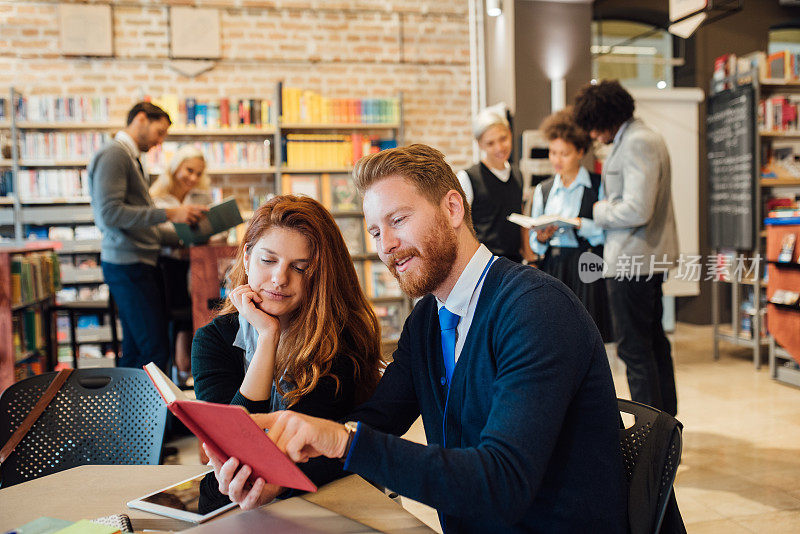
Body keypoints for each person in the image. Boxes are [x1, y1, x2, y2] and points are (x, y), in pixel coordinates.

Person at [205, 144, 627, 532]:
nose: (386, 246)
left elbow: (503, 481)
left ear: (453, 208)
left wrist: (342, 440)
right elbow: (376, 421)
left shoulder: (535, 308)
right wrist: (280, 479)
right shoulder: (428, 320)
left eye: (398, 220)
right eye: (374, 232)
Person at [192, 195, 384, 511]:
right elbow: (232, 447)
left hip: (331, 495)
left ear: (319, 274)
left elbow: (294, 453)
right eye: (268, 261)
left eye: (300, 267)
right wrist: (268, 338)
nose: (280, 279)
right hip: (254, 501)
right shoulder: (213, 340)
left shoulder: (341, 337)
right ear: (246, 258)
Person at [573, 80, 680, 416]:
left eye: (592, 127)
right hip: (642, 258)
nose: (592, 136)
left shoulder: (637, 142)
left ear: (605, 118)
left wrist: (599, 209)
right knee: (652, 344)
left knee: (636, 350)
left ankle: (653, 436)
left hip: (634, 261)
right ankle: (665, 428)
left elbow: (637, 208)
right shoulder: (639, 138)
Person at [88, 102, 207, 370]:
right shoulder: (115, 155)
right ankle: (150, 412)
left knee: (137, 350)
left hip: (136, 263)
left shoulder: (129, 158)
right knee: (154, 347)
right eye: (159, 132)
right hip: (128, 265)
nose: (159, 141)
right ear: (141, 119)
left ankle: (129, 412)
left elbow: (137, 221)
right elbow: (110, 214)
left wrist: (185, 234)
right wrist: (169, 214)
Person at [529, 109, 613, 342]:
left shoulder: (597, 186)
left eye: (564, 153)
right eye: (553, 152)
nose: (557, 159)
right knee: (554, 334)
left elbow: (605, 232)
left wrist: (579, 224)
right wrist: (542, 237)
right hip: (554, 266)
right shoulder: (543, 190)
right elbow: (535, 244)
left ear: (580, 152)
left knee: (588, 334)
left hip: (587, 263)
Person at [149, 145, 213, 386]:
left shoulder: (201, 196)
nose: (193, 178)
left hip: (196, 269)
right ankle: (177, 370)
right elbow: (153, 234)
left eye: (199, 173)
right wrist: (179, 242)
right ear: (175, 168)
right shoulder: (157, 198)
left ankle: (187, 370)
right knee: (172, 319)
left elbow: (209, 231)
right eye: (189, 170)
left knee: (196, 315)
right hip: (166, 269)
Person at [456, 108, 524, 262]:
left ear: (510, 133)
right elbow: (459, 227)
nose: (500, 147)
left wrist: (530, 259)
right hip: (485, 264)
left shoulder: (517, 174)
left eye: (503, 138)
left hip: (515, 263)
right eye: (491, 143)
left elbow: (521, 216)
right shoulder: (468, 177)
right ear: (480, 144)